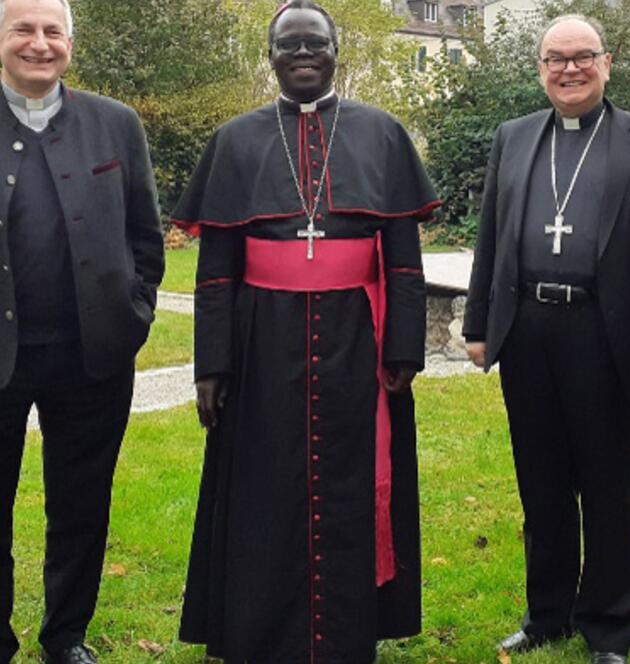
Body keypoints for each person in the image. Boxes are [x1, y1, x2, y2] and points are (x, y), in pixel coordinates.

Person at [170, 1, 438, 661]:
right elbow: (215, 271)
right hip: (263, 340)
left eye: (313, 42)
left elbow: (404, 258)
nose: (302, 53)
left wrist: (404, 346)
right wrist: (212, 363)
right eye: (287, 45)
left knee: (351, 489)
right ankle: (259, 631)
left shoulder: (381, 134)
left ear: (336, 49)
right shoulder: (236, 140)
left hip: (357, 339)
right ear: (271, 56)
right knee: (263, 487)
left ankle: (351, 635)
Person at [0, 0, 164, 661]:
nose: (39, 43)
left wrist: (135, 312)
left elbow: (145, 236)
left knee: (80, 505)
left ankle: (65, 636)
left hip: (93, 354)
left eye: (53, 31)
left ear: (70, 45)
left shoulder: (117, 125)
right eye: (24, 29)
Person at [462, 14, 630, 664]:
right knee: (540, 485)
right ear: (540, 68)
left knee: (607, 485)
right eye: (555, 58)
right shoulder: (513, 138)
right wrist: (479, 325)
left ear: (607, 62)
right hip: (529, 333)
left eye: (582, 56)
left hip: (607, 336)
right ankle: (548, 616)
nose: (569, 68)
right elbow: (492, 236)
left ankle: (609, 625)